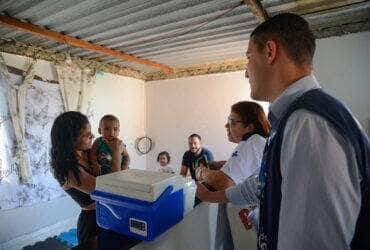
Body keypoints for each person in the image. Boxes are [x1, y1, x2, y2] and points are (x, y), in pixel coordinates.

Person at [196, 13, 369, 250]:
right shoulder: (292, 119)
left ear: (270, 52)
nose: (246, 72)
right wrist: (216, 196)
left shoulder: (309, 124)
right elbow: (264, 182)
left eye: (248, 58)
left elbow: (311, 243)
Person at [50, 111, 125, 244]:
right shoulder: (69, 170)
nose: (93, 136)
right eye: (86, 135)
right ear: (71, 139)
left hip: (110, 214)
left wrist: (121, 156)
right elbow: (111, 189)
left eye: (91, 132)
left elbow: (121, 172)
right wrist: (116, 155)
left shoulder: (88, 153)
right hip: (93, 222)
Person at [196, 101, 269, 192]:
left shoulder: (250, 143)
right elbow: (248, 168)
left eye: (232, 122)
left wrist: (201, 172)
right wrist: (222, 164)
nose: (226, 126)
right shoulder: (259, 141)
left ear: (249, 128)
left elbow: (224, 183)